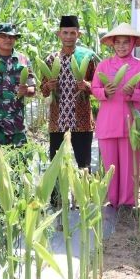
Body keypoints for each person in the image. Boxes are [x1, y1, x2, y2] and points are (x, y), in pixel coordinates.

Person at [91, 23, 140, 207]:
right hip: (108, 122)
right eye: (118, 42)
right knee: (111, 165)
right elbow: (94, 89)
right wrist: (104, 92)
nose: (121, 46)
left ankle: (127, 203)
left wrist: (133, 93)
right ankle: (112, 201)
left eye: (126, 42)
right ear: (113, 44)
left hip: (131, 123)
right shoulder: (103, 65)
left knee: (129, 167)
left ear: (133, 44)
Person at [40, 15, 98, 172]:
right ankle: (56, 197)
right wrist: (48, 86)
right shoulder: (51, 60)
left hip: (82, 121)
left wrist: (87, 86)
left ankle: (84, 196)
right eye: (65, 33)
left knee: (84, 166)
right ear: (59, 34)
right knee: (56, 167)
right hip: (57, 121)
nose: (69, 37)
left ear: (78, 35)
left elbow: (98, 88)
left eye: (73, 33)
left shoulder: (87, 58)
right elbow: (43, 92)